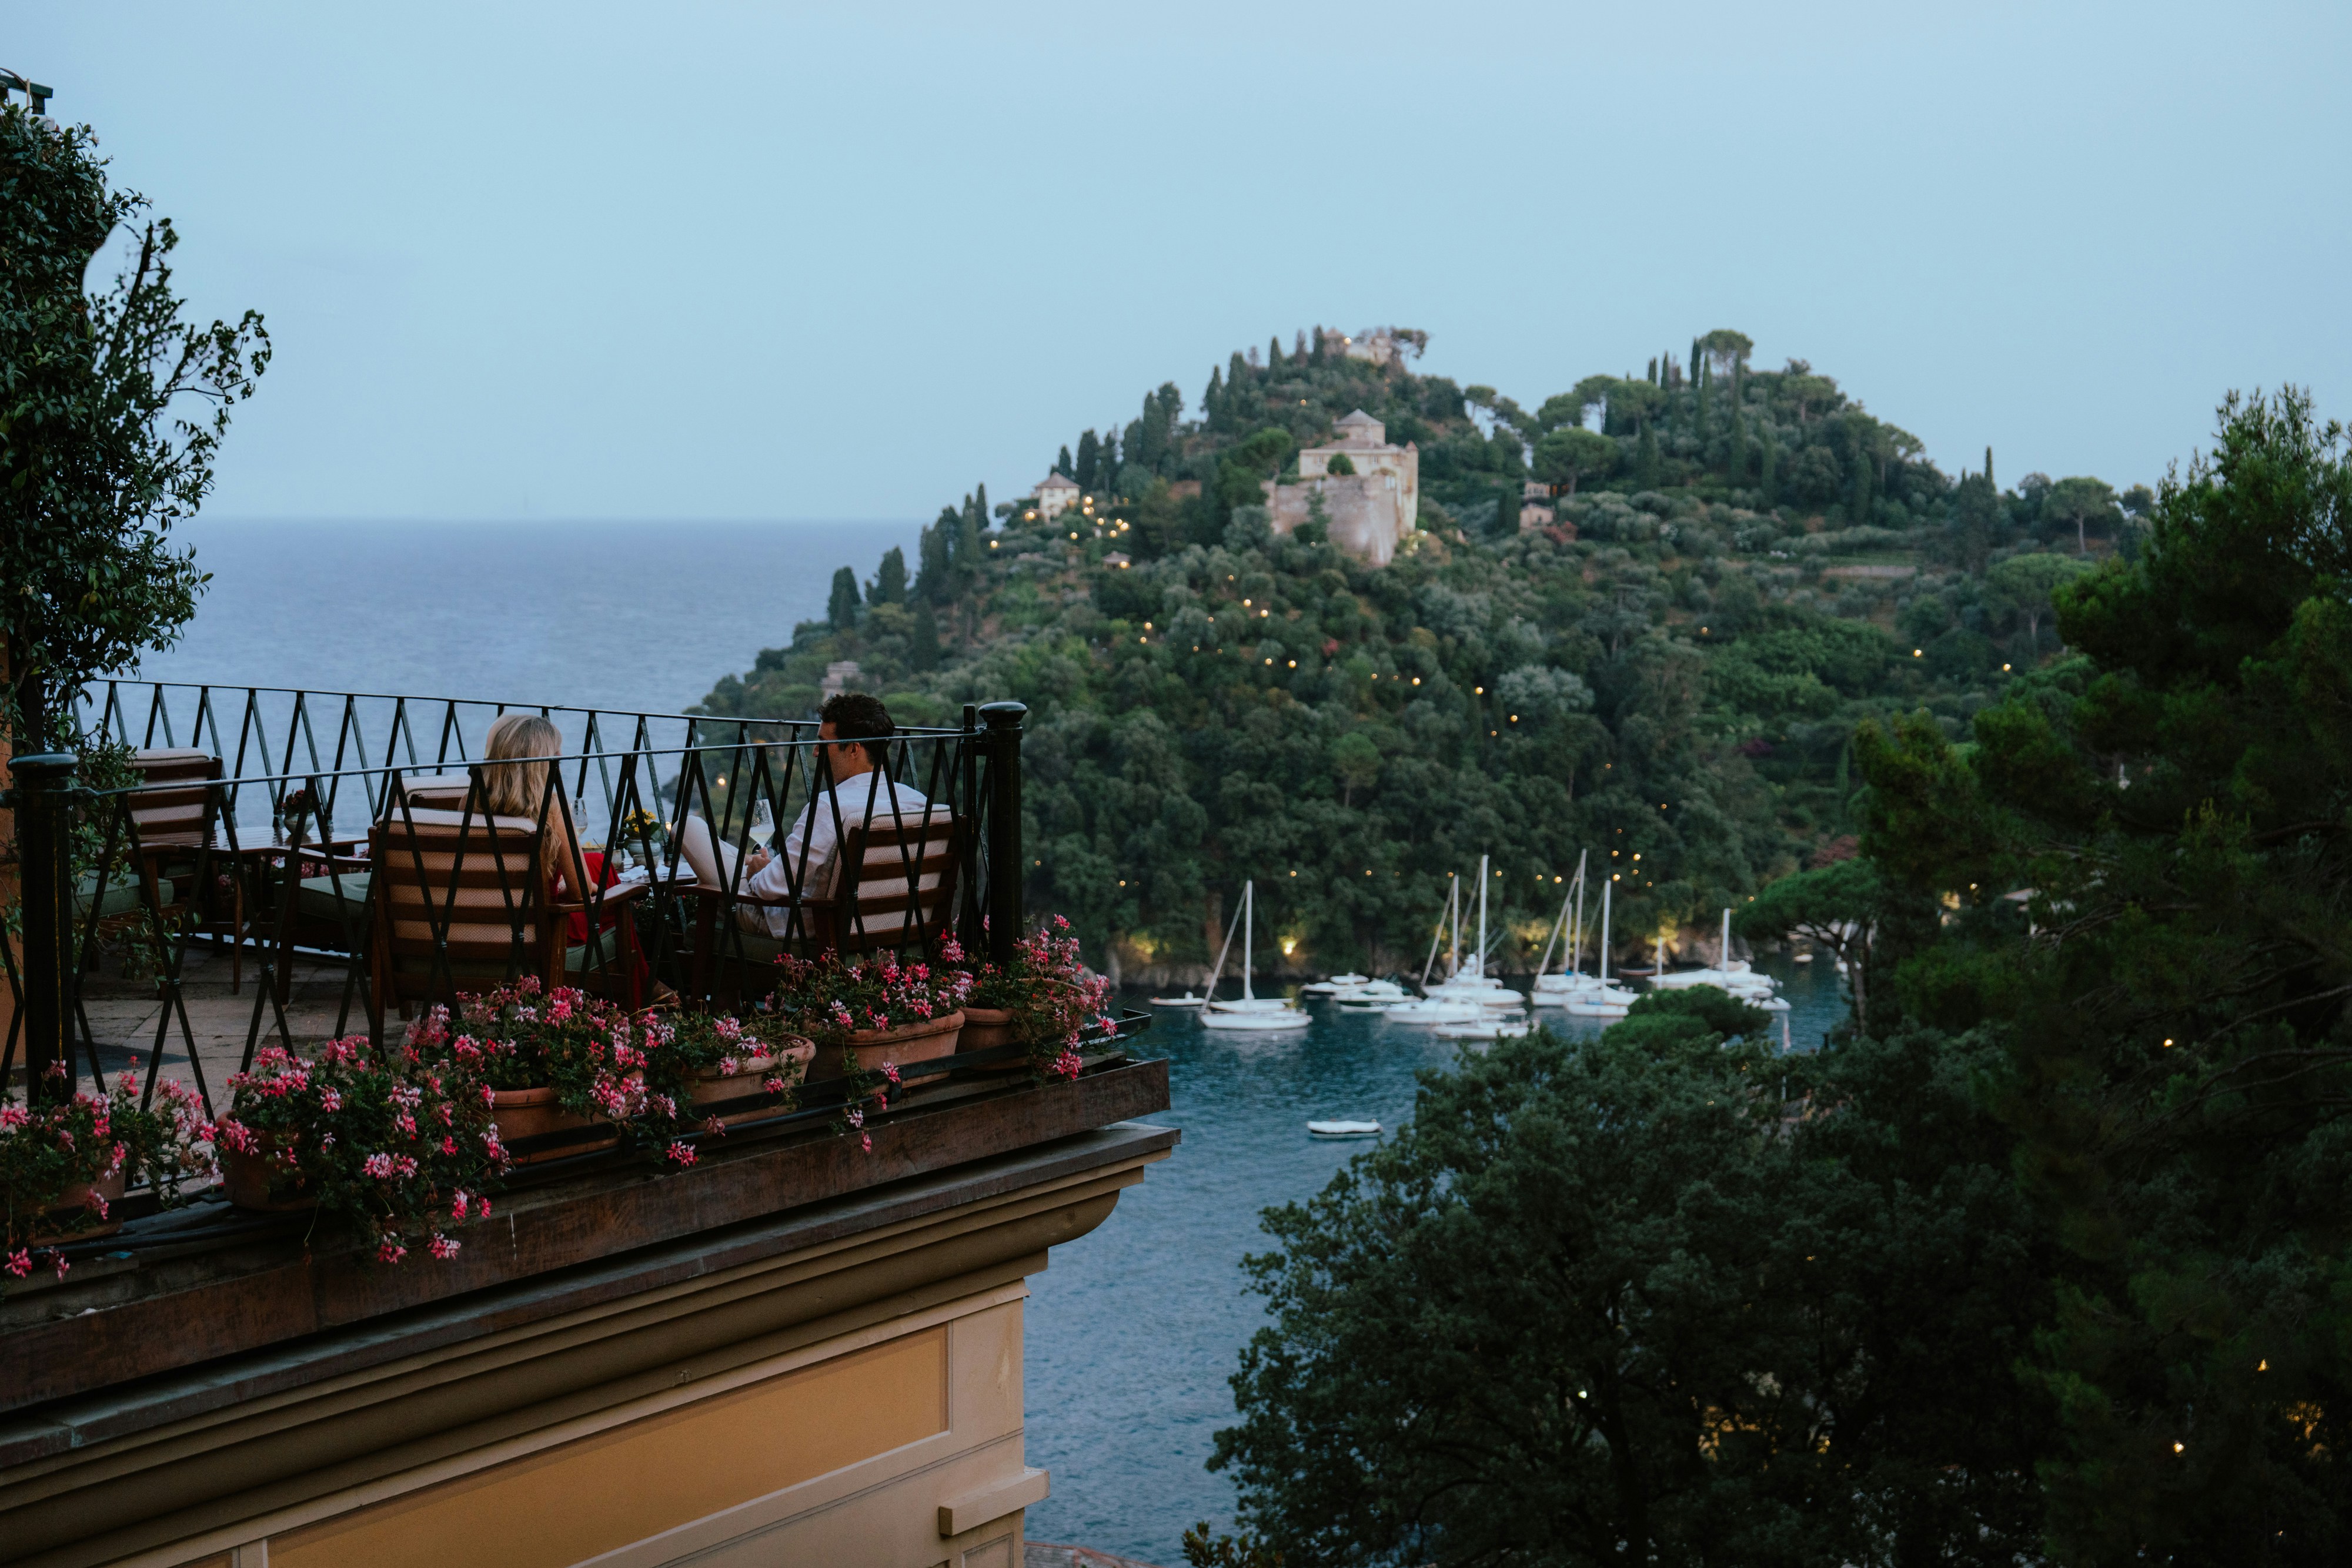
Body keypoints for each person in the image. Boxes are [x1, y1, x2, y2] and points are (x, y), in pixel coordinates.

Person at [741, 691, 928, 937]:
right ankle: (755, 860)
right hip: (894, 929)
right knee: (743, 860)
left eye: (823, 743)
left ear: (853, 749)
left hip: (799, 928)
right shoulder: (918, 803)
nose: (815, 752)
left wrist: (756, 874)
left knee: (692, 831)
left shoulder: (830, 807)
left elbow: (770, 888)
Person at [479, 711, 592, 905]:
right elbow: (581, 892)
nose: (560, 758)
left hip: (481, 914)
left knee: (596, 862)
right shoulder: (551, 808)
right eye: (555, 754)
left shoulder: (471, 802)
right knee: (604, 873)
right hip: (542, 921)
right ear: (540, 764)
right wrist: (563, 891)